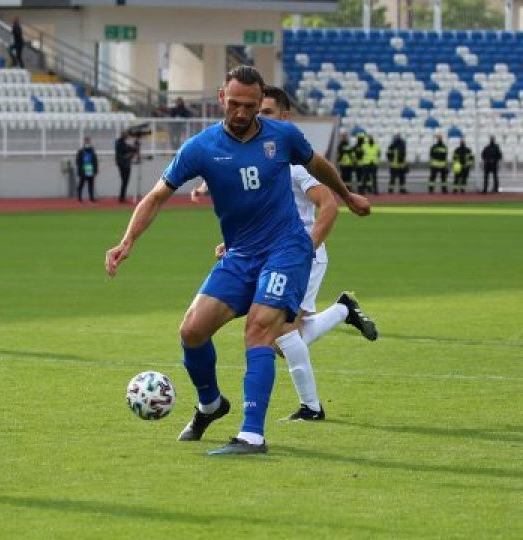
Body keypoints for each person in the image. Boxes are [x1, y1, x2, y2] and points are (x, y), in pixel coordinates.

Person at [105, 66, 371, 456]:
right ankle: (211, 404)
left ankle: (252, 434)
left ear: (260, 101)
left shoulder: (282, 136)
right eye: (234, 104)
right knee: (192, 332)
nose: (242, 113)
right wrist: (127, 240)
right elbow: (158, 195)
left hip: (286, 249)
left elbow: (318, 165)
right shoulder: (200, 147)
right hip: (240, 254)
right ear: (220, 99)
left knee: (259, 330)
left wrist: (347, 197)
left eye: (250, 105)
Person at [190, 85, 379, 422]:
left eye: (266, 112)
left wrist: (307, 248)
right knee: (282, 336)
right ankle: (342, 311)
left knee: (281, 334)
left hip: (299, 253)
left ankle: (312, 406)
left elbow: (327, 205)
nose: (256, 118)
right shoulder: (258, 159)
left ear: (284, 117)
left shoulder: (292, 165)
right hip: (274, 253)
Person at [114, 130, 138, 203]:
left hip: (125, 164)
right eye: (126, 135)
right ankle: (121, 198)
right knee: (124, 181)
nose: (127, 136)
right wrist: (130, 154)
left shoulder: (123, 143)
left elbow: (132, 149)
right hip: (123, 164)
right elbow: (125, 152)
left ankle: (122, 197)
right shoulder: (119, 143)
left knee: (125, 182)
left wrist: (134, 146)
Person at [75, 136, 98, 203]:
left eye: (89, 141)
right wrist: (80, 170)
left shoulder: (92, 150)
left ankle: (91, 198)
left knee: (91, 184)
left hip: (90, 169)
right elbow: (78, 161)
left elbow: (95, 161)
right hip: (83, 169)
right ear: (84, 142)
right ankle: (79, 197)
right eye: (86, 141)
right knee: (81, 184)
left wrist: (95, 170)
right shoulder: (81, 151)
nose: (88, 142)